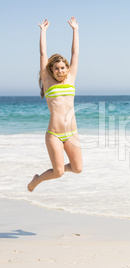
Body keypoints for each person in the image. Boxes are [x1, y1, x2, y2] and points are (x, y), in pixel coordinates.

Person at [27, 17, 82, 192]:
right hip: (55, 134)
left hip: (72, 133)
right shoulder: (48, 81)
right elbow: (43, 54)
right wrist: (43, 32)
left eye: (62, 68)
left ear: (67, 68)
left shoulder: (71, 79)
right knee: (58, 172)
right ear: (51, 70)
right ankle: (36, 180)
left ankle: (52, 171)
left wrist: (75, 30)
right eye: (56, 68)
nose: (60, 71)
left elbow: (75, 54)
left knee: (78, 168)